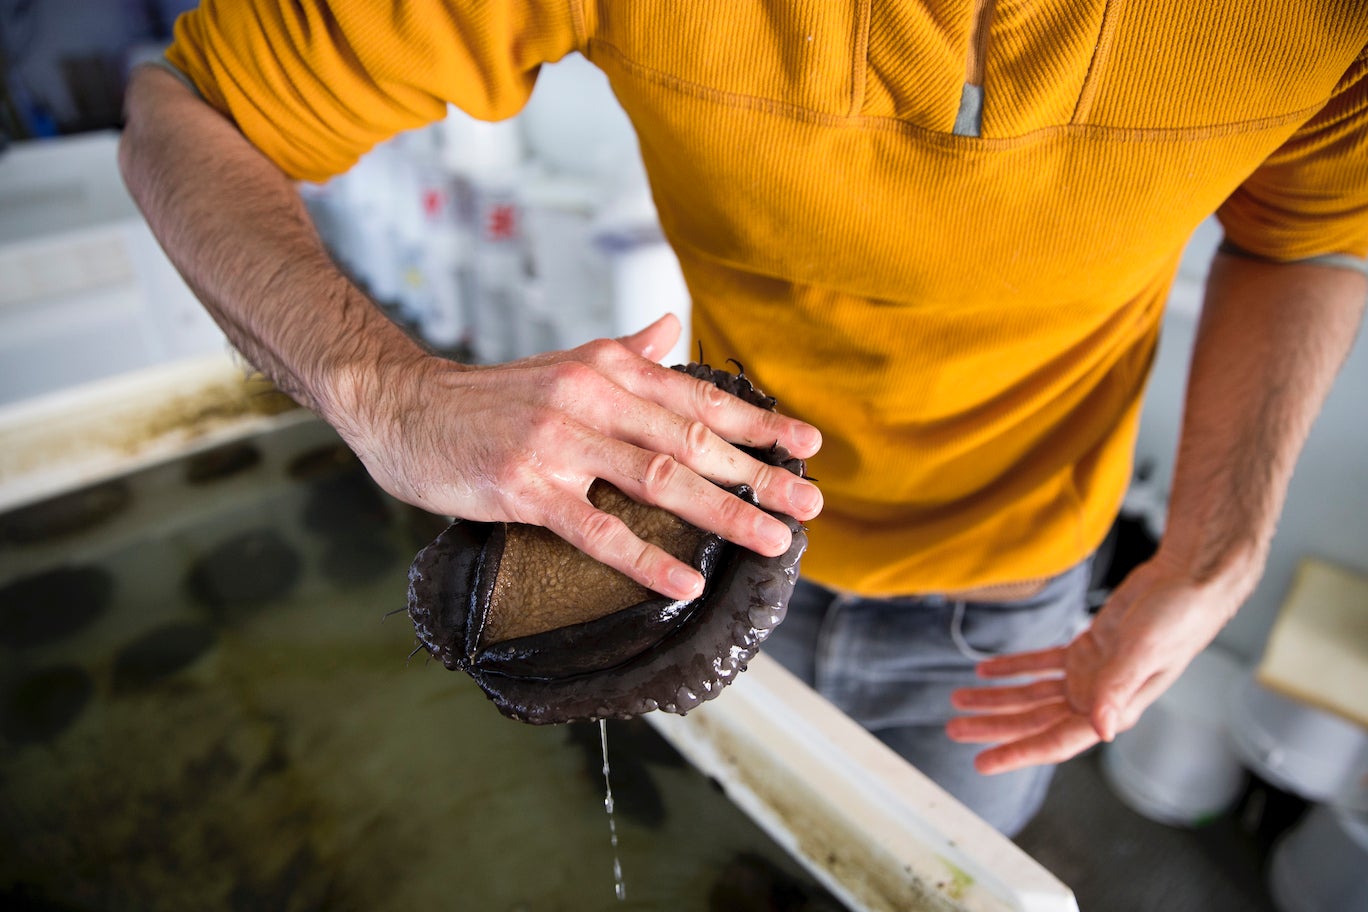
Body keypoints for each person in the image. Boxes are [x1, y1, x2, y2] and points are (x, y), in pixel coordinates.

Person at [119, 1, 1368, 836]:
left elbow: (1311, 235)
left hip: (1010, 608)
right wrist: (384, 390)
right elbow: (183, 115)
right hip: (694, 539)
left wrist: (1219, 545)